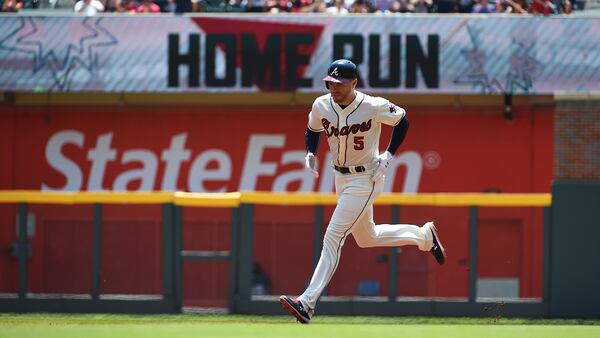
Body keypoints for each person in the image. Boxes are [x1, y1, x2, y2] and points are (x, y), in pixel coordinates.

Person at [279, 59, 447, 324]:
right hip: (340, 177)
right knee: (367, 237)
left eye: (339, 84)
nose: (333, 88)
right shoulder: (321, 104)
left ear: (354, 83)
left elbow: (403, 120)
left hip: (366, 178)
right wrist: (310, 151)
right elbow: (312, 129)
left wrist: (389, 155)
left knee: (333, 236)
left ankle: (307, 303)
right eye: (330, 83)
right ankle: (424, 237)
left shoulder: (372, 105)